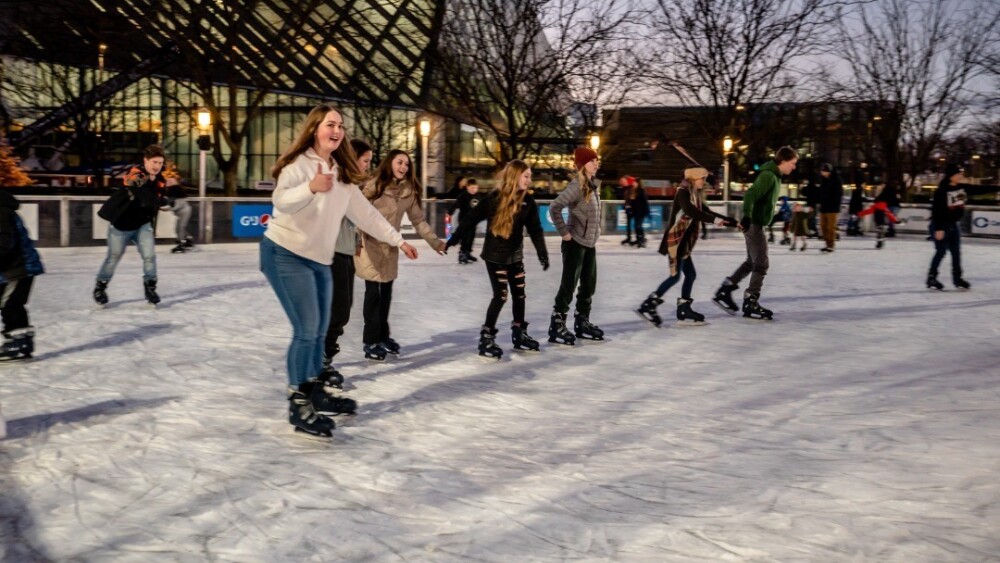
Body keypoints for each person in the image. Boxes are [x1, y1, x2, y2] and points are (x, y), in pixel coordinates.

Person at [261, 104, 418, 438]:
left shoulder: (343, 174)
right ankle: (298, 401)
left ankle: (314, 388)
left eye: (340, 126)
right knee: (306, 328)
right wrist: (311, 187)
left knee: (320, 328)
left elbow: (367, 215)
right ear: (315, 128)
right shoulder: (298, 164)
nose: (337, 130)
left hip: (319, 258)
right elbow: (281, 200)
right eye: (330, 124)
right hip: (284, 252)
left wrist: (398, 241)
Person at [447, 160, 549, 358]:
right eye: (526, 176)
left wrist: (541, 252)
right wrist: (453, 240)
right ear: (515, 176)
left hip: (515, 255)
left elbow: (535, 229)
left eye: (530, 176)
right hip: (494, 256)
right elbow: (470, 219)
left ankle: (519, 333)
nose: (529, 180)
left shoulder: (528, 201)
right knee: (501, 296)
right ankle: (486, 337)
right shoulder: (494, 198)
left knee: (520, 294)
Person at [356, 149, 446, 361]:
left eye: (406, 163)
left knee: (386, 293)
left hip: (391, 246)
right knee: (373, 294)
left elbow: (418, 221)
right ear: (390, 163)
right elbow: (356, 212)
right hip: (369, 245)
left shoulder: (408, 191)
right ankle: (370, 341)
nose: (403, 167)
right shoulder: (374, 185)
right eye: (399, 162)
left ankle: (383, 336)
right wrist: (356, 241)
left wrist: (435, 242)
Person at [637, 167, 736, 327]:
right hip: (676, 242)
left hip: (684, 243)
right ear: (693, 179)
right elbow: (692, 211)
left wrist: (733, 222)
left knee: (690, 275)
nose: (704, 182)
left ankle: (684, 309)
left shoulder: (695, 194)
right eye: (702, 179)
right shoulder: (682, 193)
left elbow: (706, 211)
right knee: (675, 276)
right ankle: (649, 305)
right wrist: (715, 220)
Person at [712, 146, 798, 320]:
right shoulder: (768, 176)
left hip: (757, 223)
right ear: (783, 161)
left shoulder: (774, 176)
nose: (794, 167)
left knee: (752, 262)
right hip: (754, 224)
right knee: (761, 264)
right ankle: (750, 301)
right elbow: (750, 195)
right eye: (793, 163)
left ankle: (725, 290)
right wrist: (747, 216)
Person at [322, 138, 374, 380]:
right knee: (335, 311)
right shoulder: (336, 181)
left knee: (341, 311)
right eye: (365, 161)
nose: (367, 166)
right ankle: (319, 362)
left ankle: (324, 359)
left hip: (343, 252)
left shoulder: (351, 184)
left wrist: (356, 243)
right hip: (329, 252)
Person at [93, 144, 168, 307]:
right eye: (154, 162)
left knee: (149, 256)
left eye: (160, 163)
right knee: (113, 257)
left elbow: (154, 204)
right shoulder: (135, 174)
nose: (157, 166)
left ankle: (150, 288)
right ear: (145, 161)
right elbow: (143, 193)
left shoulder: (161, 181)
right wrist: (162, 201)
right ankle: (100, 286)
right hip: (121, 224)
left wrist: (162, 204)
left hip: (142, 225)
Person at [548, 146, 604, 344]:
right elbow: (555, 207)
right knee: (569, 285)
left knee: (589, 285)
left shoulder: (592, 185)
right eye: (592, 161)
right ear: (582, 165)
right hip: (575, 243)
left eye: (597, 160)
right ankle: (557, 323)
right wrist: (565, 233)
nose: (596, 163)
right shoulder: (576, 187)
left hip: (589, 243)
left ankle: (582, 321)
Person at [0, 191, 44, 362]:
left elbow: (4, 243)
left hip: (18, 268)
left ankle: (19, 342)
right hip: (10, 269)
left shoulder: (2, 212)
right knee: (9, 303)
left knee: (10, 304)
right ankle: (21, 340)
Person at [926, 163, 970, 290]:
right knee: (941, 252)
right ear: (951, 176)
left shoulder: (962, 188)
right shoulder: (941, 191)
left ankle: (958, 279)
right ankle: (931, 277)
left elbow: (979, 189)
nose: (961, 176)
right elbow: (936, 210)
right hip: (941, 224)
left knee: (956, 253)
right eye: (958, 174)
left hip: (953, 225)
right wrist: (939, 228)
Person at [446, 177, 484, 264]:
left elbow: (482, 206)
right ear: (467, 187)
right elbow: (456, 205)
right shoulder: (463, 196)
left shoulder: (478, 196)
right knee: (465, 237)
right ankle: (462, 254)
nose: (474, 190)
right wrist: (449, 212)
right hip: (464, 220)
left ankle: (468, 253)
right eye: (472, 188)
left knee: (471, 237)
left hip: (474, 220)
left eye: (475, 188)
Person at [162, 163, 194, 254]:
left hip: (184, 212)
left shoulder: (178, 195)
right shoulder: (173, 193)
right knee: (180, 227)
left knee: (180, 227)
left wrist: (168, 209)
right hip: (182, 212)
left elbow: (178, 205)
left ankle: (181, 244)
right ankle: (188, 240)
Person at [818, 163, 843, 253]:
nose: (822, 173)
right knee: (823, 226)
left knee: (831, 227)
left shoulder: (836, 180)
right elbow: (821, 193)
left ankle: (831, 245)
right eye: (822, 171)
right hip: (824, 207)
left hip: (832, 208)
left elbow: (838, 194)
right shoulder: (823, 180)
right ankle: (827, 244)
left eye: (824, 171)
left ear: (829, 171)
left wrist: (836, 206)